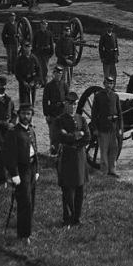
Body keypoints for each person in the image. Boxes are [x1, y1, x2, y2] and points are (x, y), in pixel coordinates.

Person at [3, 101, 40, 243]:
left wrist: (37, 170)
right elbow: (9, 156)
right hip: (22, 170)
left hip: (31, 168)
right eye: (23, 114)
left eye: (28, 114)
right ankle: (23, 235)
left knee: (31, 201)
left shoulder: (31, 130)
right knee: (25, 202)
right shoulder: (14, 132)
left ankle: (27, 229)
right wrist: (14, 174)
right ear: (19, 115)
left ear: (32, 116)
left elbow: (35, 151)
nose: (26, 116)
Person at [55, 92, 89, 228]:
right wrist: (76, 135)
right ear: (65, 104)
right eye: (70, 104)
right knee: (68, 190)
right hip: (67, 157)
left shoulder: (81, 119)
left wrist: (75, 142)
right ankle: (67, 218)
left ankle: (77, 218)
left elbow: (87, 137)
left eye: (75, 104)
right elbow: (60, 137)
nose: (73, 106)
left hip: (79, 157)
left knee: (80, 189)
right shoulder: (60, 120)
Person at [91, 76, 123, 177]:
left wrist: (120, 128)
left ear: (113, 85)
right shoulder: (99, 96)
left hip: (113, 128)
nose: (109, 85)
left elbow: (119, 113)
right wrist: (95, 128)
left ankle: (112, 169)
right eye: (107, 83)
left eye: (111, 83)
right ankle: (104, 171)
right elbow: (94, 113)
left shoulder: (115, 96)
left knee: (114, 149)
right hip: (103, 127)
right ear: (104, 84)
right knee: (104, 151)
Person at [43, 66, 69, 153]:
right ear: (53, 74)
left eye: (60, 74)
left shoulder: (64, 85)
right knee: (53, 134)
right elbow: (45, 101)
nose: (58, 76)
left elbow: (68, 98)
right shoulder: (49, 86)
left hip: (62, 112)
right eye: (57, 74)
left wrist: (64, 103)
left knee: (63, 133)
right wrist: (47, 114)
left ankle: (62, 153)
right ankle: (53, 152)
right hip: (53, 112)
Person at [15, 42, 41, 108]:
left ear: (31, 48)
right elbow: (17, 72)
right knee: (23, 98)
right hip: (23, 80)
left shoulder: (34, 58)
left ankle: (31, 107)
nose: (27, 49)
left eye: (29, 47)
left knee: (32, 97)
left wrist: (34, 81)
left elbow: (38, 71)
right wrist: (23, 81)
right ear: (24, 48)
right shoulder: (20, 58)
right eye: (26, 47)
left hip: (32, 79)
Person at [32, 20, 54, 86]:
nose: (44, 26)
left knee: (45, 68)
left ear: (47, 25)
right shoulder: (37, 33)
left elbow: (51, 43)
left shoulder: (49, 33)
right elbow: (34, 43)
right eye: (42, 24)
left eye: (45, 24)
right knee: (39, 67)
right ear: (40, 25)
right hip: (38, 52)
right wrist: (34, 52)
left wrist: (52, 52)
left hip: (46, 53)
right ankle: (41, 82)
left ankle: (45, 81)